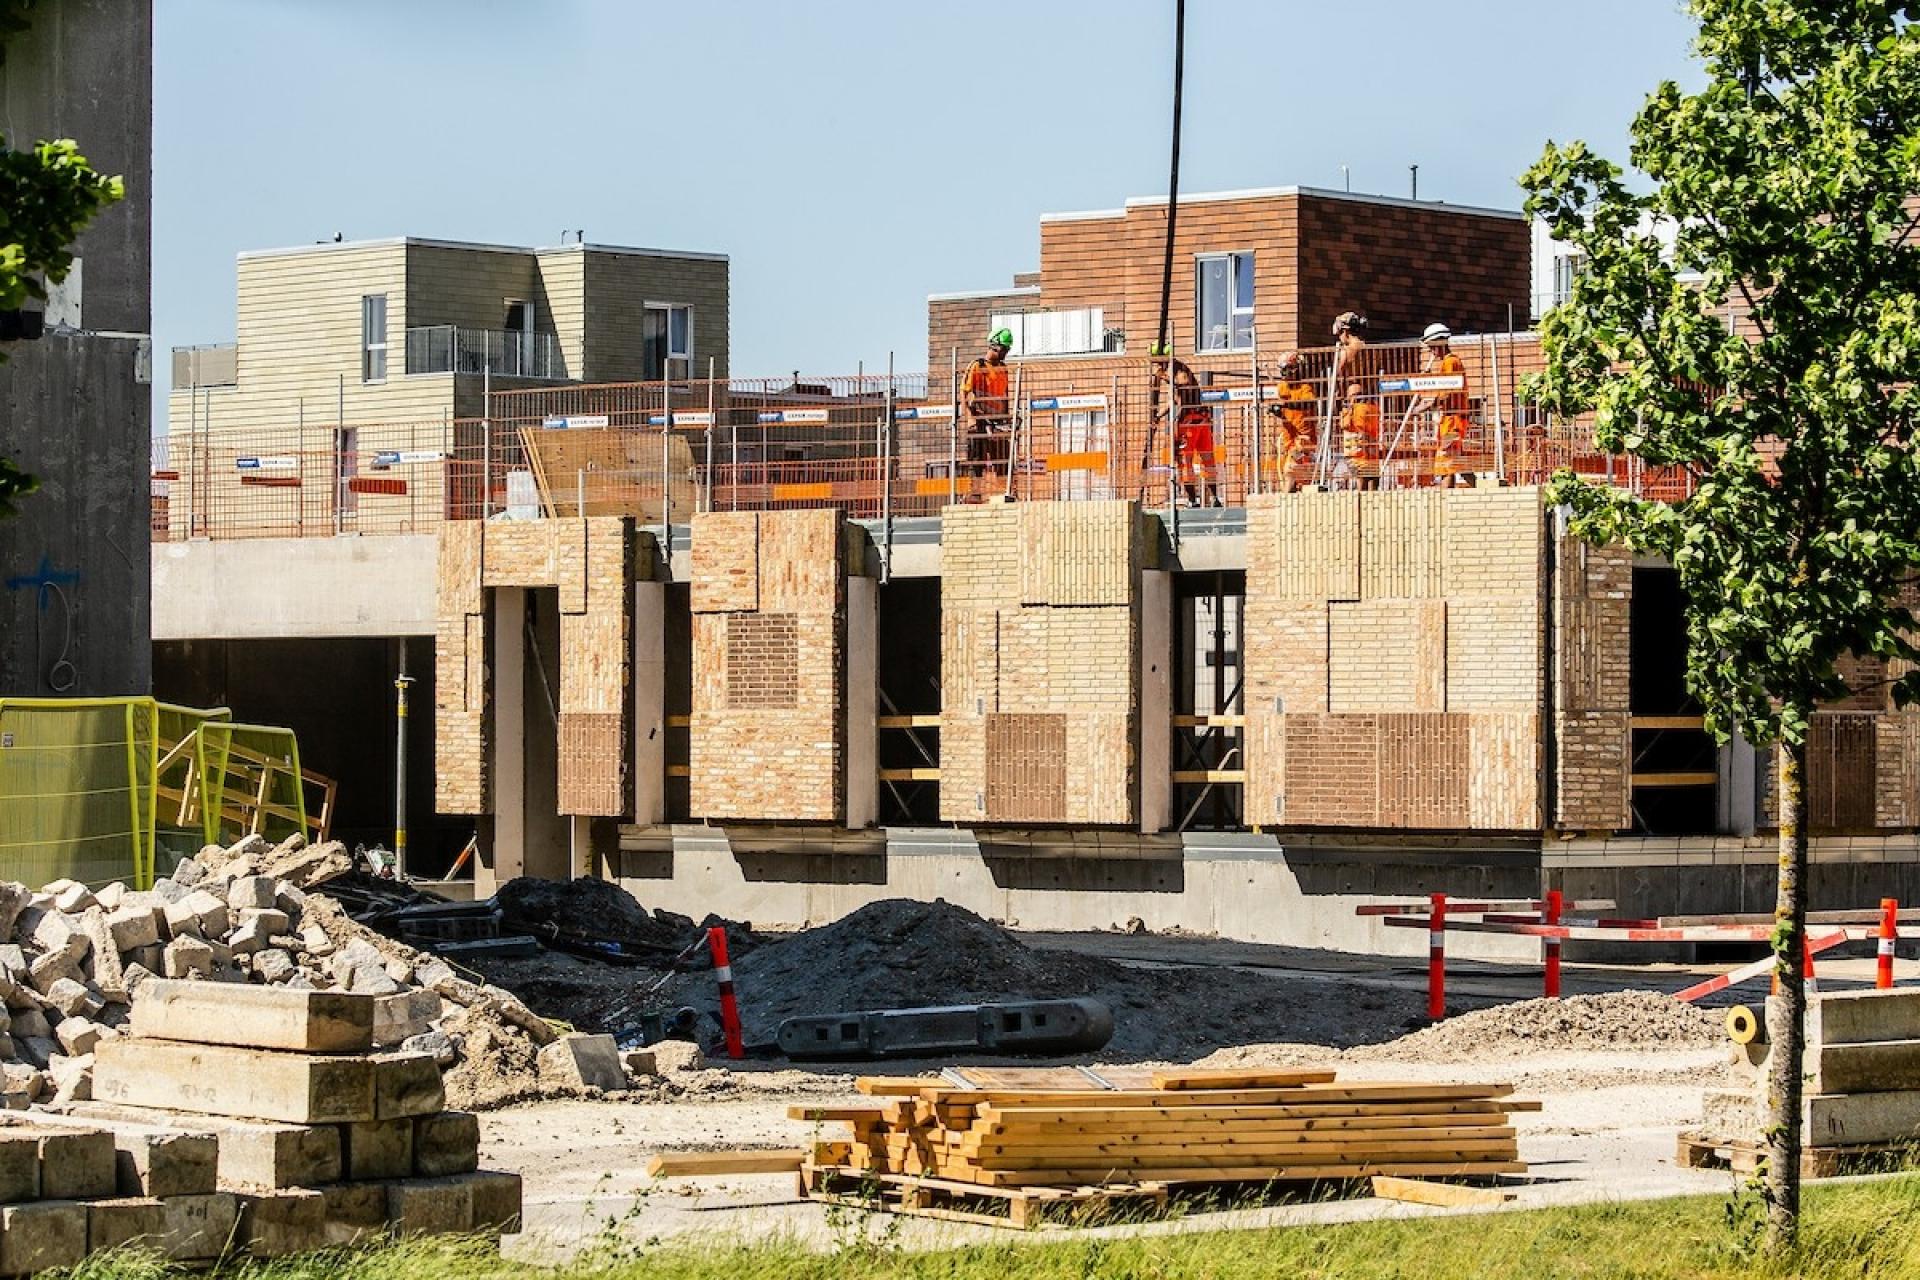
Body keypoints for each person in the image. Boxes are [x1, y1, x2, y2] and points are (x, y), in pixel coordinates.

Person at [1148, 343, 1219, 507]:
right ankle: (1213, 498)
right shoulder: (1178, 369)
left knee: (1185, 461)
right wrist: (1159, 415)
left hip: (1189, 423)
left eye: (1157, 363)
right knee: (1207, 460)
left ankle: (1193, 500)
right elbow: (1173, 399)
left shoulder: (1176, 370)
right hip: (1202, 420)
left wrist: (1166, 378)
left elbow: (1182, 384)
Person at [1411, 322, 1474, 486]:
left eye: (1431, 346)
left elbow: (1447, 393)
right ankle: (1478, 489)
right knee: (1456, 461)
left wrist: (1426, 406)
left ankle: (1445, 503)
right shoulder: (1448, 363)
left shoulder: (1450, 363)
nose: (1431, 351)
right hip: (1451, 419)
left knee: (1446, 462)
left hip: (1453, 420)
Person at [960, 328, 1014, 498]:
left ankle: (1006, 492)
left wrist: (1007, 418)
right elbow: (964, 392)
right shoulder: (978, 366)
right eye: (1004, 349)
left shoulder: (1003, 368)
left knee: (1003, 457)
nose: (1006, 353)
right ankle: (975, 494)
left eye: (1007, 349)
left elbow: (1005, 395)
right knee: (977, 458)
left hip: (998, 420)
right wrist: (970, 418)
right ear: (994, 346)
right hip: (980, 418)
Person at [1267, 350, 1319, 492]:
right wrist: (1277, 411)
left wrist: (1287, 405)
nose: (1284, 374)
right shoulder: (1282, 387)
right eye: (1282, 370)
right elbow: (1285, 411)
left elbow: (1308, 403)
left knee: (1290, 470)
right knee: (1297, 475)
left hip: (1304, 439)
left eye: (1287, 370)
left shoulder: (1305, 388)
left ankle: (1285, 499)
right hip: (1289, 437)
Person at [1338, 380, 1380, 490]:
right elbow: (1344, 425)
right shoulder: (1349, 410)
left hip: (1363, 453)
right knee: (1366, 481)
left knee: (1368, 481)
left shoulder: (1366, 408)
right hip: (1361, 454)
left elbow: (1345, 425)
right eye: (1354, 395)